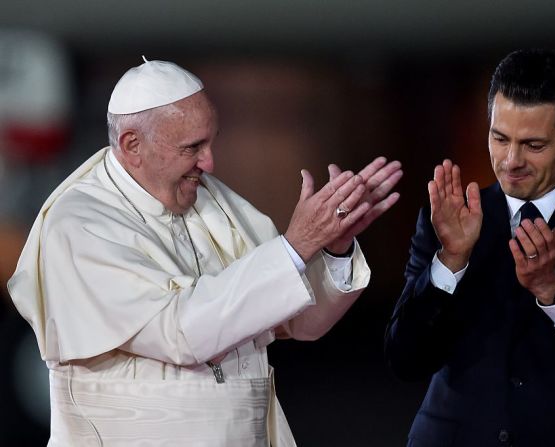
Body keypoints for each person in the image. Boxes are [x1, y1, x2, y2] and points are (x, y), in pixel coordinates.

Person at [8, 58, 402, 446]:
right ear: (132, 145)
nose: (210, 162)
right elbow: (181, 333)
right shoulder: (79, 224)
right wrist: (296, 246)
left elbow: (302, 321)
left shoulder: (214, 202)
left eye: (211, 142)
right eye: (192, 147)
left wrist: (332, 248)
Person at [385, 48, 555, 447]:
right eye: (499, 138)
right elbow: (405, 359)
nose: (511, 161)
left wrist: (554, 293)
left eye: (533, 145)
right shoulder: (448, 221)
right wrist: (451, 261)